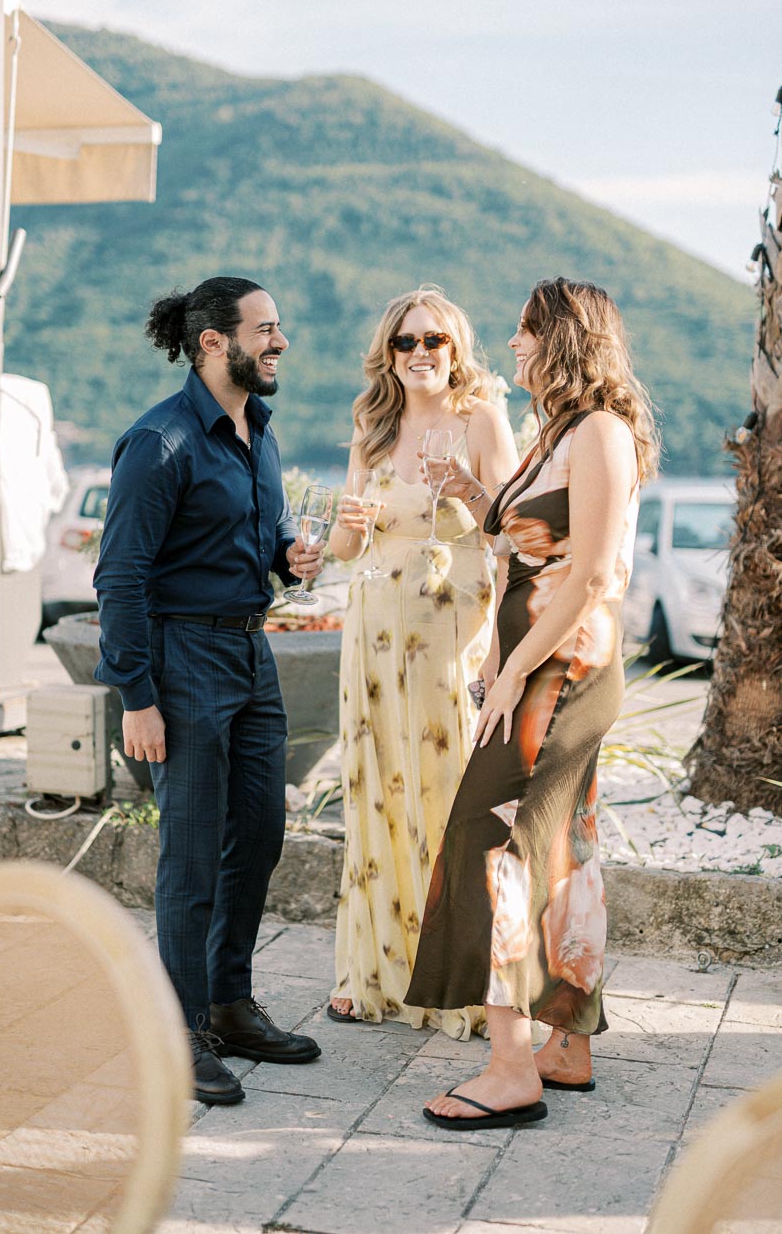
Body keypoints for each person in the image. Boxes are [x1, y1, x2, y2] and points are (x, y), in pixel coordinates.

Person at [404, 277, 659, 1129]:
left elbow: (586, 576)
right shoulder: (555, 435)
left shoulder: (601, 432)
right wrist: (471, 496)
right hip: (532, 666)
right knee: (563, 849)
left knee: (494, 837)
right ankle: (567, 1045)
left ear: (568, 340)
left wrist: (511, 673)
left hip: (563, 672)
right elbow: (521, 540)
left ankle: (510, 1066)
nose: (512, 345)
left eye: (525, 332)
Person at [93, 276, 325, 1107]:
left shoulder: (256, 430)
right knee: (190, 857)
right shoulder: (159, 442)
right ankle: (175, 1027)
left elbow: (254, 534)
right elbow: (119, 576)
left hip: (251, 656)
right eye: (266, 328)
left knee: (259, 832)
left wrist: (286, 553)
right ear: (212, 343)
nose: (280, 341)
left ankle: (229, 1006)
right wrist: (137, 696)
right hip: (181, 660)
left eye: (279, 326)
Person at [327, 285, 519, 1037]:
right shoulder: (372, 427)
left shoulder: (480, 418)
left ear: (455, 348)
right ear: (388, 354)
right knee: (377, 788)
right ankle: (372, 970)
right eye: (405, 343)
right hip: (371, 634)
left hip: (450, 632)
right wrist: (346, 524)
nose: (419, 355)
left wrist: (466, 490)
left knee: (445, 793)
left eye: (433, 341)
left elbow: (514, 532)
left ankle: (463, 981)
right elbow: (345, 550)